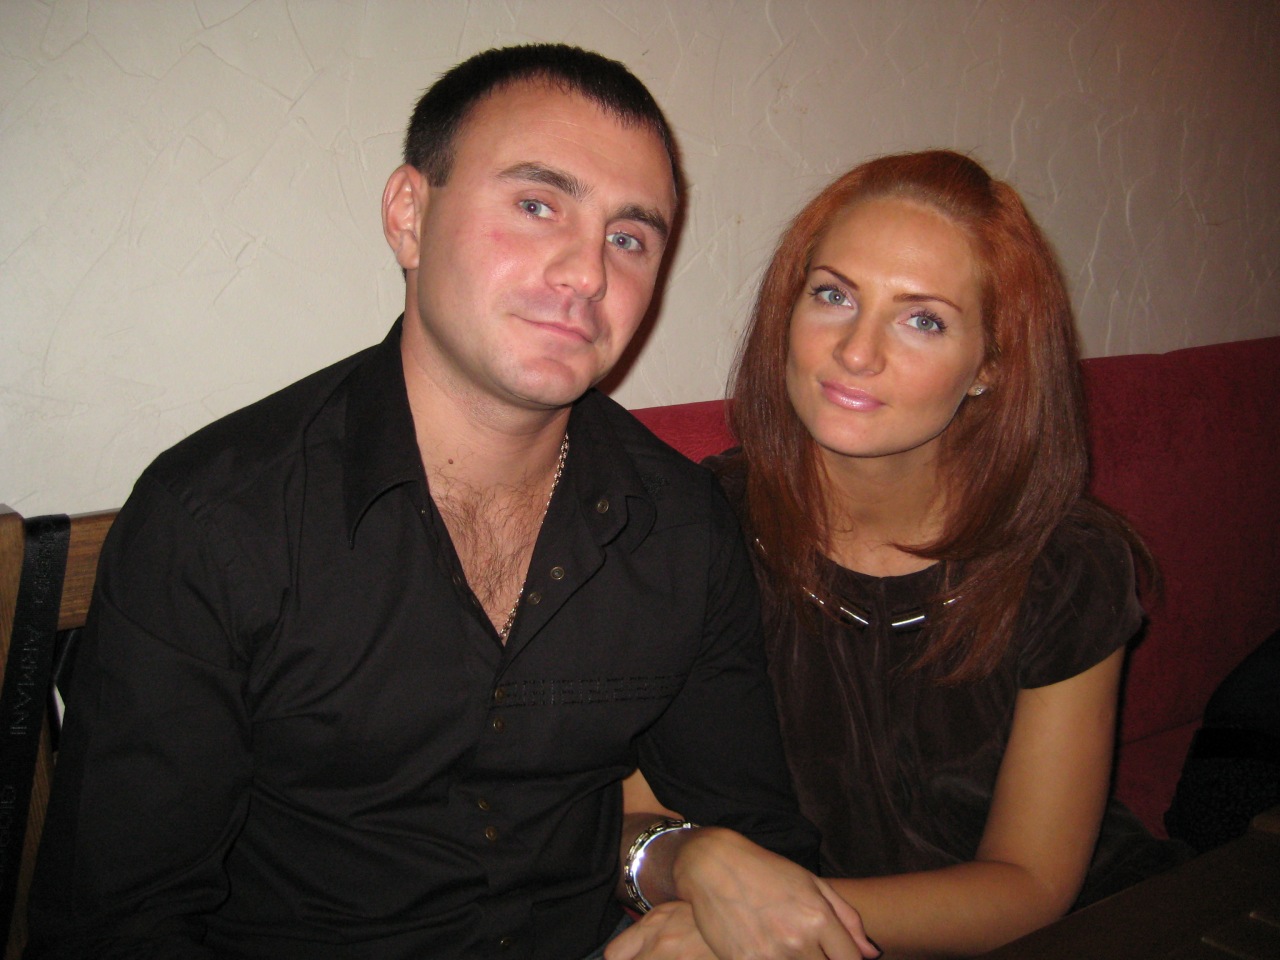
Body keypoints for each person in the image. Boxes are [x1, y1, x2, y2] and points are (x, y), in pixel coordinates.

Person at [25, 45, 877, 960]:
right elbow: (117, 926)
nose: (587, 273)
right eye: (537, 204)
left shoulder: (679, 527)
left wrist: (696, 894)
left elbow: (754, 831)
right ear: (409, 215)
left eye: (629, 238)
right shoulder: (215, 520)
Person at [611, 150, 1186, 959]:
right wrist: (691, 865)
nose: (856, 351)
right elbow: (623, 809)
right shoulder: (687, 529)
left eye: (924, 320)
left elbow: (1030, 885)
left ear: (991, 365)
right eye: (834, 295)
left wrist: (766, 921)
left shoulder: (1066, 563)